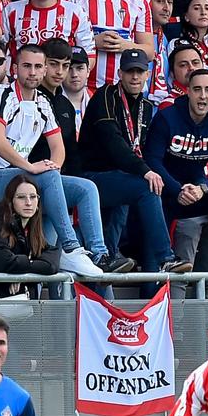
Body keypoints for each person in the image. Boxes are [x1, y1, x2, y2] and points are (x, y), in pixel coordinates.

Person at [0, 42, 114, 276]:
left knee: (86, 188)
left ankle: (99, 254)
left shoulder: (43, 102)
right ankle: (71, 248)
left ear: (44, 69)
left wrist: (52, 166)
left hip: (22, 180)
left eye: (37, 67)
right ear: (15, 68)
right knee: (45, 175)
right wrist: (31, 167)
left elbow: (58, 147)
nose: (32, 72)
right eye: (26, 66)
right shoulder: (0, 93)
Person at [77, 51, 182, 274]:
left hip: (117, 177)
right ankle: (165, 257)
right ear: (120, 73)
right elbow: (112, 142)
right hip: (89, 178)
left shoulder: (146, 106)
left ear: (148, 75)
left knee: (139, 185)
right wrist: (146, 171)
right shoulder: (105, 95)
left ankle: (110, 254)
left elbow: (143, 147)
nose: (135, 76)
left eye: (140, 71)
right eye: (130, 71)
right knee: (145, 185)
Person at [146, 68, 208, 273]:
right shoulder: (166, 118)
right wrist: (177, 190)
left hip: (195, 194)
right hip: (163, 195)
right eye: (197, 89)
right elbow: (152, 161)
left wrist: (203, 188)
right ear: (188, 92)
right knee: (153, 271)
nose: (203, 95)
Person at [0, 174, 61, 297]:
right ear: (10, 201)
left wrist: (22, 273)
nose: (28, 202)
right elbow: (3, 261)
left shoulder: (32, 229)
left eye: (33, 197)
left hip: (20, 306)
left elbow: (52, 263)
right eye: (21, 197)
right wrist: (26, 268)